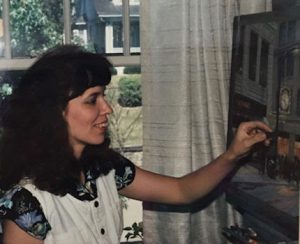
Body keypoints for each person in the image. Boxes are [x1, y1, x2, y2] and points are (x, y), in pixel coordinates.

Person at [0, 45, 271, 244]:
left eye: (104, 96)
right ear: (54, 111)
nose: (108, 108)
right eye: (92, 99)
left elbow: (181, 190)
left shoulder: (104, 169)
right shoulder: (27, 200)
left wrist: (234, 154)